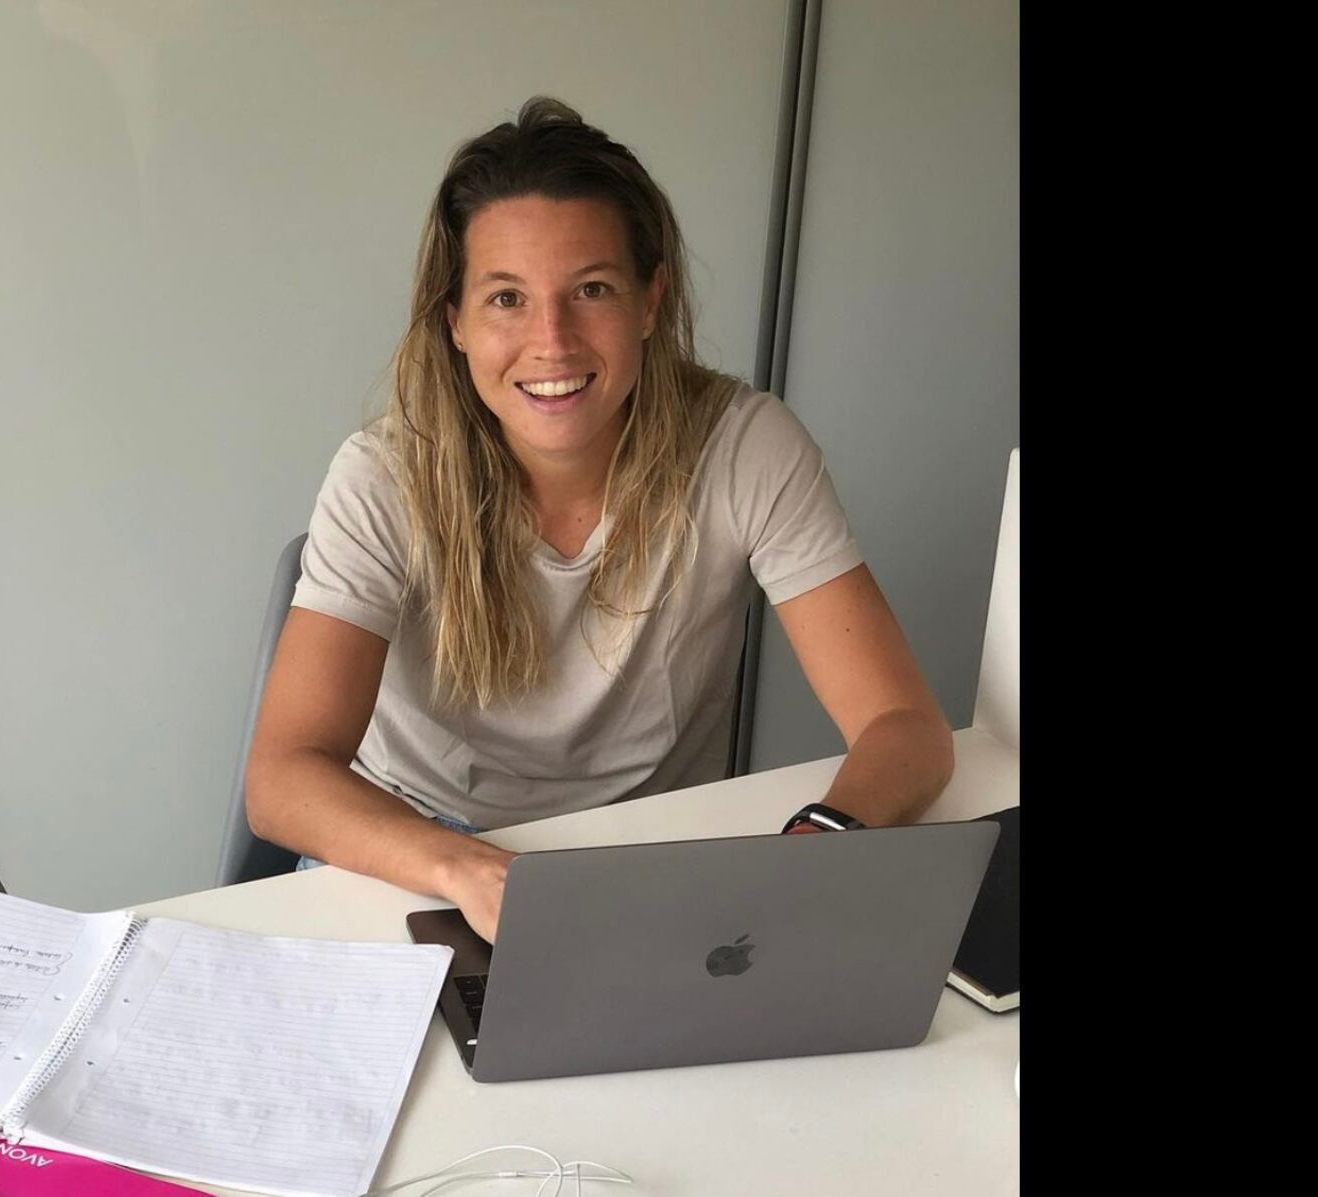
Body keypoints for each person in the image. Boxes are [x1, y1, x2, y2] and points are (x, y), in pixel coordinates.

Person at [245, 97, 952, 943]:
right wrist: (470, 870)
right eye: (506, 297)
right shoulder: (383, 475)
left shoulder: (747, 447)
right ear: (456, 322)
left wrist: (814, 847)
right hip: (412, 859)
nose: (553, 340)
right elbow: (283, 777)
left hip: (645, 861)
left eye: (592, 289)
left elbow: (906, 728)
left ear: (651, 299)